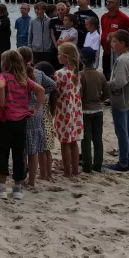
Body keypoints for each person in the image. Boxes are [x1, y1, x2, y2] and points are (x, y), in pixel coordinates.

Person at [0, 50, 46, 200]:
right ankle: (17, 187)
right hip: (21, 121)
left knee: (3, 152)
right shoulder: (24, 79)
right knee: (18, 153)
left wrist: (3, 103)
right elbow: (41, 90)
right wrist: (35, 109)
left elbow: (1, 85)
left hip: (5, 120)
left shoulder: (4, 76)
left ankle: (2, 187)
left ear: (6, 64)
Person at [19, 47, 56, 186]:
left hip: (22, 111)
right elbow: (53, 85)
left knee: (22, 149)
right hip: (36, 112)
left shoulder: (17, 74)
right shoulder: (39, 73)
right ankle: (32, 181)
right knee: (33, 149)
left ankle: (21, 178)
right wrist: (39, 95)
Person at [105, 31, 129, 171]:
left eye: (114, 42)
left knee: (122, 131)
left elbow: (120, 81)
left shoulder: (122, 60)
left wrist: (107, 85)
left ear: (122, 43)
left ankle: (123, 161)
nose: (112, 44)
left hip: (121, 100)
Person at [54, 43, 85, 177]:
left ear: (65, 57)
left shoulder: (60, 74)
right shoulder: (77, 72)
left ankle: (67, 171)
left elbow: (56, 91)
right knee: (74, 142)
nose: (57, 56)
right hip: (76, 110)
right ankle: (75, 171)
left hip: (63, 111)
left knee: (64, 143)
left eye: (59, 54)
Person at [79, 49, 108, 173]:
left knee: (86, 139)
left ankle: (87, 165)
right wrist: (99, 99)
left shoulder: (81, 75)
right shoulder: (100, 75)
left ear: (82, 59)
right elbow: (106, 93)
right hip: (98, 109)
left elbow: (79, 94)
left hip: (85, 110)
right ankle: (98, 164)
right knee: (97, 139)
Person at [100, 0, 129, 82]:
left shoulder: (125, 19)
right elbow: (103, 31)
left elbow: (128, 37)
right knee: (105, 73)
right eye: (107, 1)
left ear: (117, 4)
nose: (108, 3)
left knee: (116, 74)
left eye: (111, 2)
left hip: (118, 53)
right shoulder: (104, 17)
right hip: (106, 51)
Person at [27, 2, 52, 68]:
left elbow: (51, 35)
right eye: (35, 9)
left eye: (38, 9)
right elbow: (30, 34)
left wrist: (50, 46)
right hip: (36, 49)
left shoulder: (49, 21)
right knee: (36, 67)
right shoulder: (33, 21)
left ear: (44, 10)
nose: (36, 11)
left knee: (46, 67)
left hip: (47, 49)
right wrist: (30, 47)